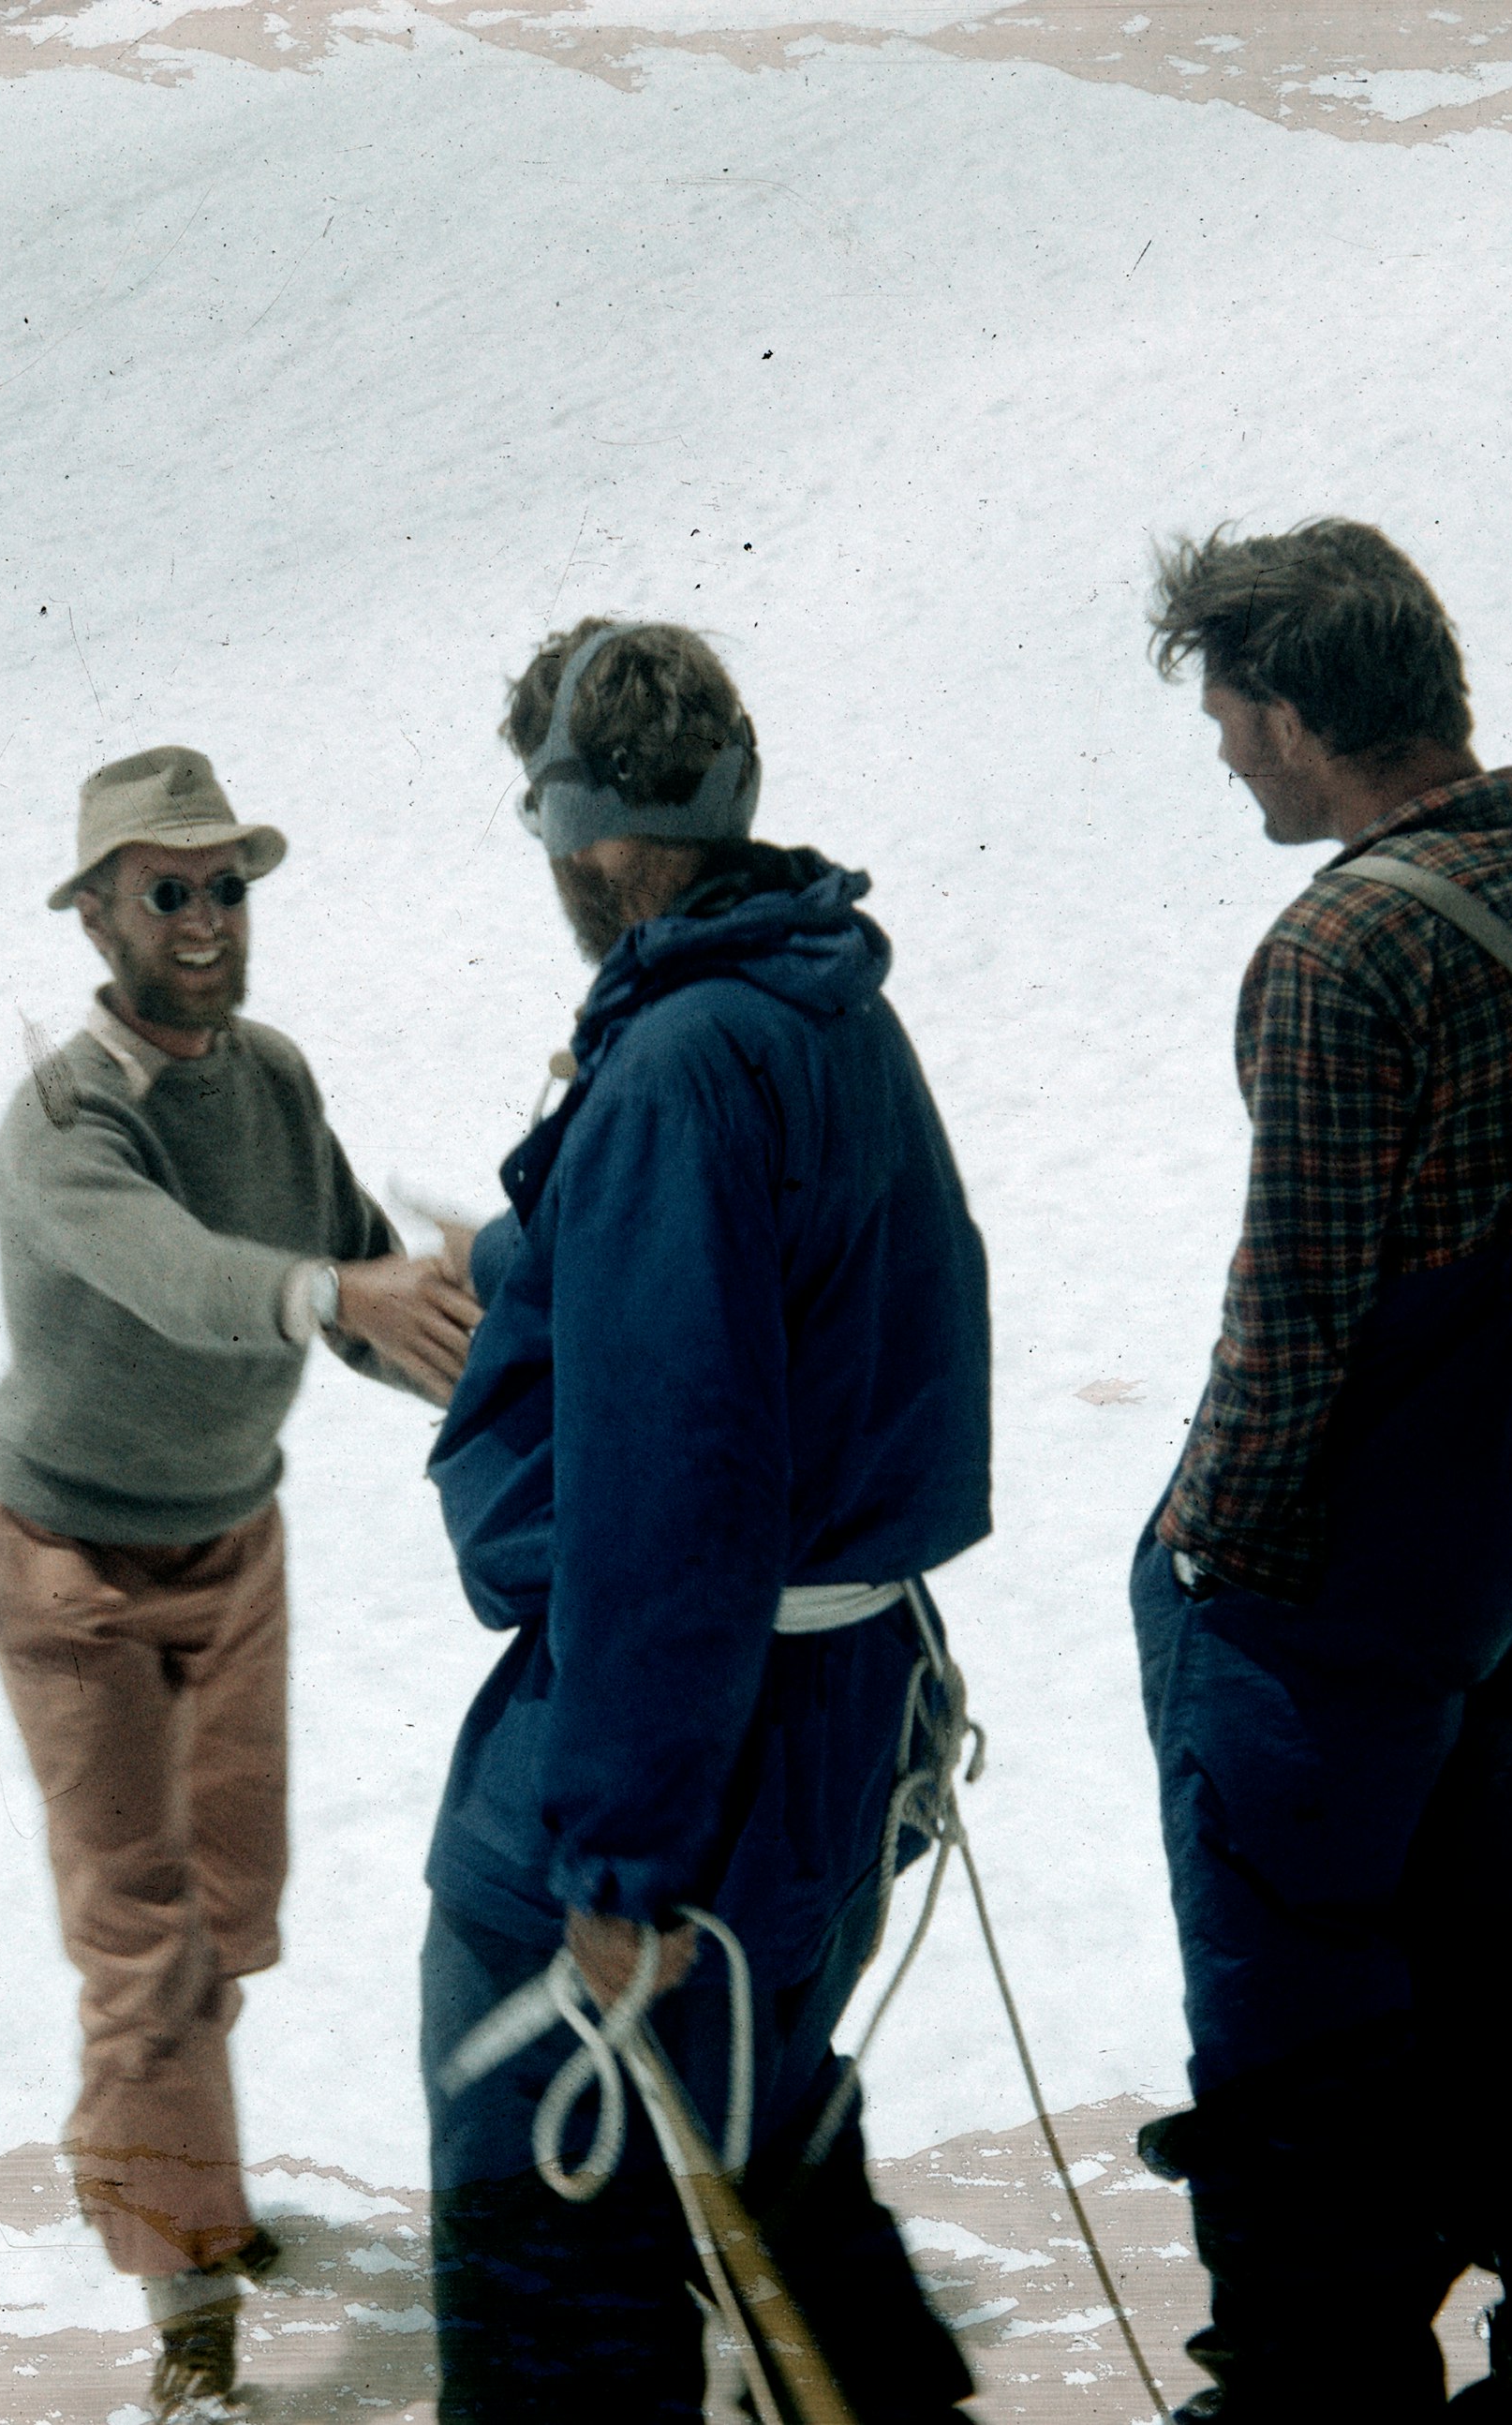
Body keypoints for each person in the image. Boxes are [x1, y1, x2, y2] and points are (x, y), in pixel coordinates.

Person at [1125, 519, 1512, 2418]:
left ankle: (1321, 2389)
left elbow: (1299, 1311)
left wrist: (1207, 1549)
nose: (1229, 751)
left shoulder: (1340, 943)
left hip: (1345, 1564)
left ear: (1304, 714)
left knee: (1296, 1986)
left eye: (1235, 716)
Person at [416, 618, 992, 2422]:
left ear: (581, 830)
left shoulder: (676, 1063)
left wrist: (621, 1860)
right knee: (755, 2110)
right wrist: (531, 1267)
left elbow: (676, 1497)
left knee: (553, 2198)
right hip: (828, 1718)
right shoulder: (821, 998)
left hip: (683, 1745)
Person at [0, 744, 479, 2421]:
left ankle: (169, 2180)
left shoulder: (267, 1075)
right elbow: (188, 1278)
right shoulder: (63, 1120)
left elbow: (350, 1285)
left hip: (233, 1544)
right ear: (99, 913)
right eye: (166, 890)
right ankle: (186, 2313)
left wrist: (474, 1330)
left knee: (227, 1915)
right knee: (145, 1941)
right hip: (75, 1572)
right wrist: (337, 1290)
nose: (202, 920)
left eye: (224, 887)